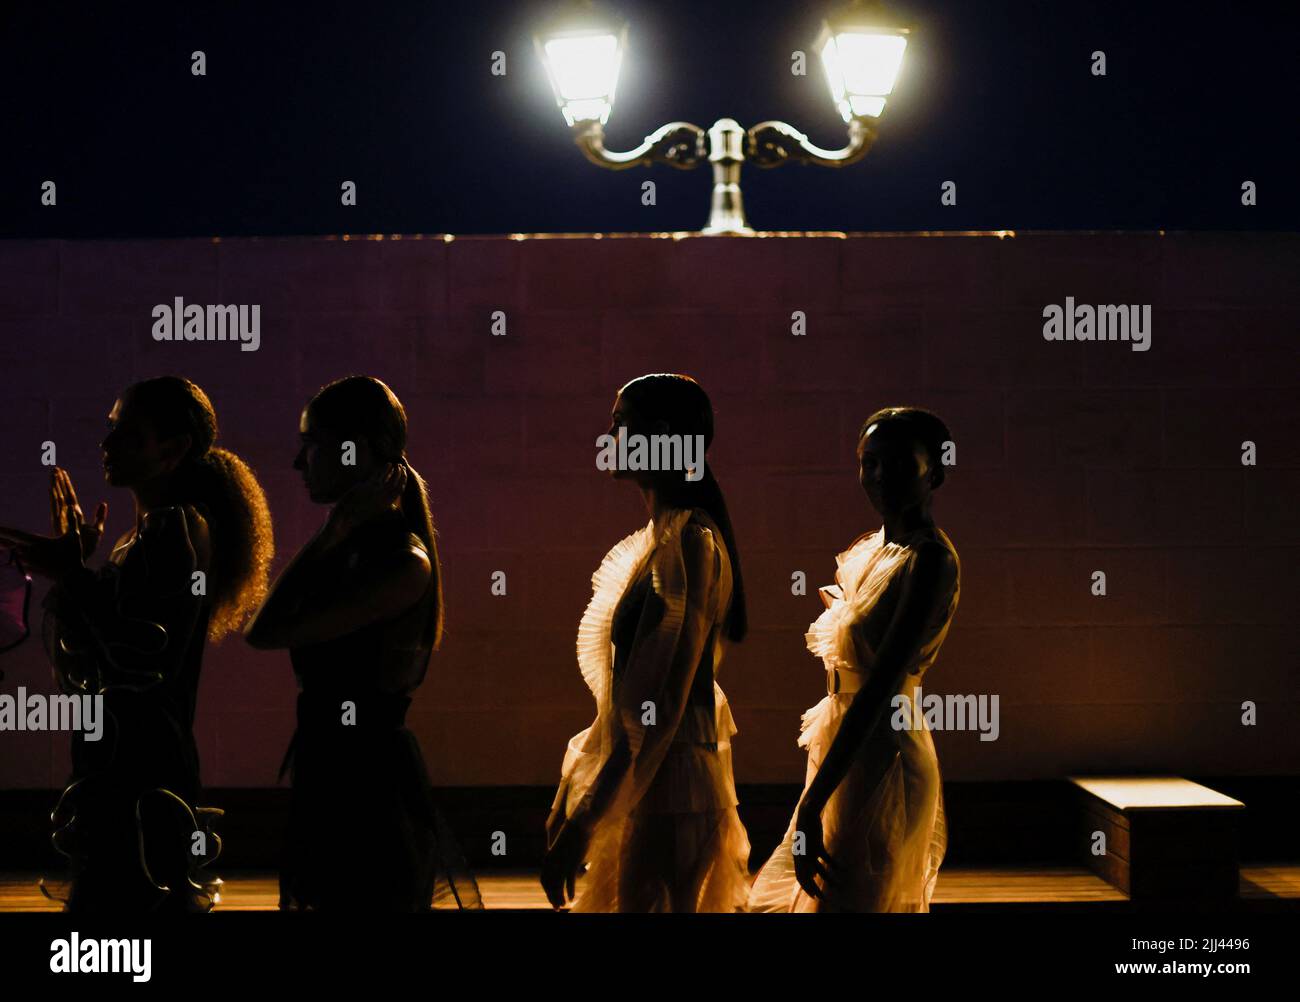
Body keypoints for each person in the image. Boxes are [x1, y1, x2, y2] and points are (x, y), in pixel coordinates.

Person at [0, 376, 273, 913]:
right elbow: (91, 664)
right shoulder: (146, 537)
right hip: (124, 762)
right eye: (109, 431)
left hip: (141, 768)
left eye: (126, 434)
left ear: (172, 449)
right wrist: (74, 571)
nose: (105, 444)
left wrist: (73, 575)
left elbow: (140, 657)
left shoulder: (175, 528)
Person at [244, 375, 481, 911]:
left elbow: (266, 631)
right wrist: (335, 533)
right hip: (331, 776)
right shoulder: (356, 552)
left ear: (359, 450)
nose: (299, 463)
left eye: (312, 444)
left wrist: (333, 532)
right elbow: (264, 627)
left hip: (369, 793)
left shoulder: (402, 562)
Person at [541, 373, 752, 912]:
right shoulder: (662, 542)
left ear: (657, 434)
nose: (606, 435)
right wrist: (577, 789)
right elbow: (626, 700)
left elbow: (661, 705)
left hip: (673, 783)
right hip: (651, 780)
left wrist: (588, 816)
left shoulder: (690, 543)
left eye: (618, 423)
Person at [747, 406, 960, 913]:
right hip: (847, 746)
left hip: (883, 750)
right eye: (869, 462)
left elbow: (879, 686)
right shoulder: (872, 548)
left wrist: (812, 802)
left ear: (937, 470)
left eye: (898, 463)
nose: (879, 475)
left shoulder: (928, 559)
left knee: (853, 897)